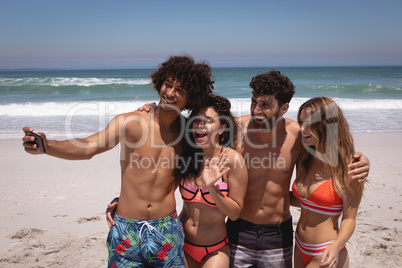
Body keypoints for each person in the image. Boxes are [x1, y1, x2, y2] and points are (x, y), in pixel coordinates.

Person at [109, 70, 370, 268]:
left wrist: (360, 161)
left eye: (265, 105)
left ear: (284, 108)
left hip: (278, 232)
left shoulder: (297, 136)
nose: (256, 109)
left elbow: (328, 149)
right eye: (254, 101)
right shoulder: (235, 131)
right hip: (239, 230)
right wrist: (153, 109)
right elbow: (195, 127)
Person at [22, 55, 214, 268]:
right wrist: (47, 146)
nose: (170, 93)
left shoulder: (189, 133)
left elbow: (225, 132)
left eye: (180, 90)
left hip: (166, 229)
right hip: (126, 229)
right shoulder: (131, 123)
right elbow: (89, 146)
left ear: (191, 97)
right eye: (167, 85)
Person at [108, 94, 248, 268]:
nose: (199, 125)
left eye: (208, 121)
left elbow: (235, 213)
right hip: (180, 244)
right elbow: (156, 185)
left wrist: (212, 188)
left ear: (222, 128)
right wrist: (124, 202)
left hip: (215, 249)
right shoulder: (187, 155)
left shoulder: (232, 160)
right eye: (196, 120)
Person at [291, 97, 364, 268]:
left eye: (308, 123)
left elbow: (349, 219)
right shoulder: (305, 157)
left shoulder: (350, 167)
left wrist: (335, 246)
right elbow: (305, 201)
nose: (301, 129)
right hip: (299, 246)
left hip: (325, 251)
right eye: (301, 122)